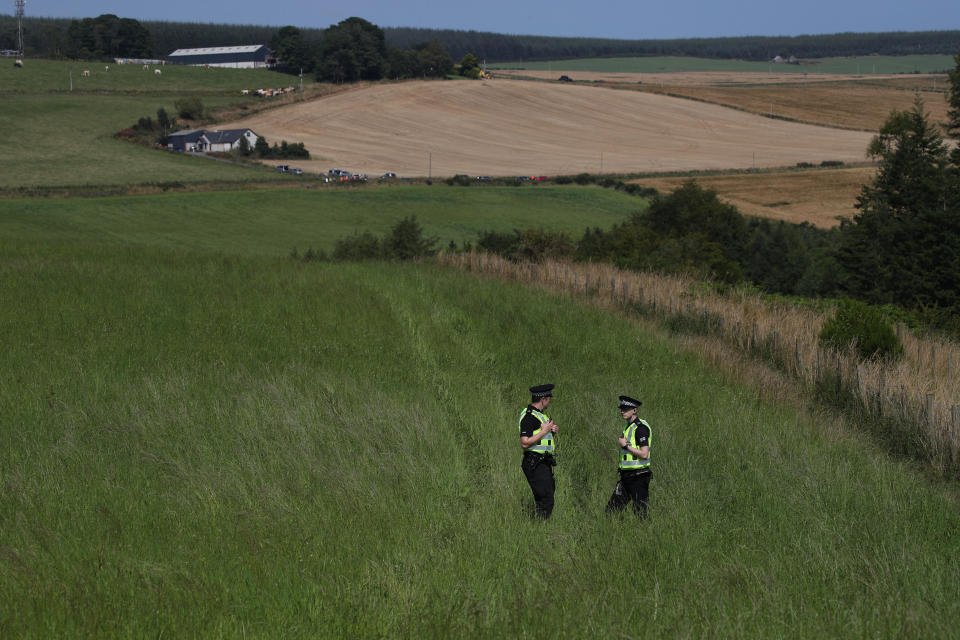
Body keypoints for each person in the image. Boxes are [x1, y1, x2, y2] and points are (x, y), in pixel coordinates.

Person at [606, 395, 652, 518]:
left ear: (635, 410)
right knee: (610, 513)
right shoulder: (628, 427)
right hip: (626, 477)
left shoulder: (640, 428)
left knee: (640, 515)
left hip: (639, 477)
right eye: (621, 408)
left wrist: (626, 446)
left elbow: (644, 454)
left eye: (626, 409)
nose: (622, 411)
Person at [518, 383, 558, 519]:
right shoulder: (529, 416)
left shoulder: (540, 415)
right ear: (543, 399)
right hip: (534, 462)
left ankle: (540, 527)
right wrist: (545, 431)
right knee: (546, 500)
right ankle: (540, 528)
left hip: (543, 462)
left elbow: (539, 438)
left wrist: (551, 432)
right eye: (549, 398)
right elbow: (525, 442)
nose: (550, 401)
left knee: (546, 497)